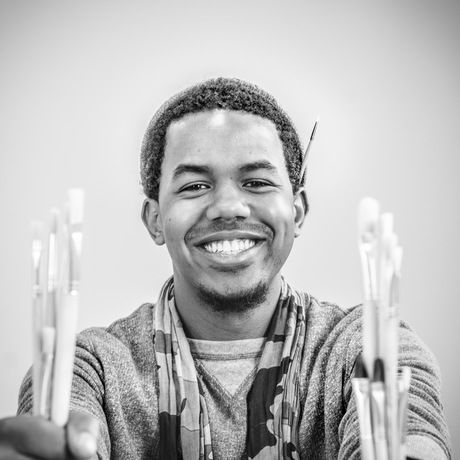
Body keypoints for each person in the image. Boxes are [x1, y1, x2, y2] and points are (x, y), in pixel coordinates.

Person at [0, 78, 451, 459]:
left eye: (256, 182)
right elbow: (60, 431)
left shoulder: (371, 348)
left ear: (298, 211)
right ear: (155, 220)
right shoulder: (87, 366)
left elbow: (414, 429)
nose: (229, 206)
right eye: (195, 185)